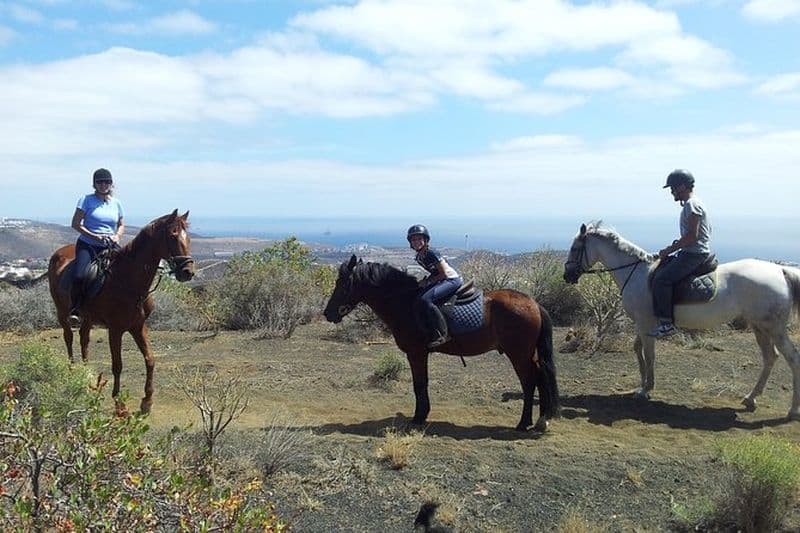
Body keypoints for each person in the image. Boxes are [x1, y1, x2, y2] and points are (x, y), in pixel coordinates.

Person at [649, 169, 712, 338]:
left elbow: (692, 235)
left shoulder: (692, 205)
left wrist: (669, 250)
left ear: (682, 187)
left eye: (673, 188)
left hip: (694, 254)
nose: (671, 192)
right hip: (689, 252)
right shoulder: (692, 204)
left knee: (662, 280)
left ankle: (666, 324)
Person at [68, 168, 125, 326]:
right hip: (88, 244)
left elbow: (121, 224)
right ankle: (76, 309)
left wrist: (117, 236)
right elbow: (75, 224)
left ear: (111, 184)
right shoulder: (85, 200)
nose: (103, 185)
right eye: (100, 182)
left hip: (111, 244)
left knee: (129, 269)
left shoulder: (116, 203)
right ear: (94, 184)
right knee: (80, 275)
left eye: (107, 181)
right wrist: (94, 236)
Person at [407, 224, 462, 348]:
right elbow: (434, 272)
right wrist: (425, 281)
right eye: (413, 240)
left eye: (419, 239)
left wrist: (427, 282)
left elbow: (443, 273)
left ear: (425, 240)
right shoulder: (419, 257)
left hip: (451, 280)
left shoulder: (431, 253)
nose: (416, 242)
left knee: (426, 300)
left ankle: (443, 334)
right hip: (442, 280)